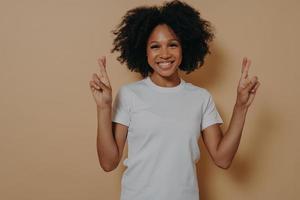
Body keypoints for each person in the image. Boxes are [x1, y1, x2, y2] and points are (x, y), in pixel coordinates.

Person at [89, 0, 260, 199]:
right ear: (144, 51)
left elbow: (223, 159)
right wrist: (103, 108)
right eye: (155, 46)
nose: (164, 54)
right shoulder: (129, 95)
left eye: (172, 44)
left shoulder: (201, 98)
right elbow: (108, 163)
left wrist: (240, 107)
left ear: (184, 47)